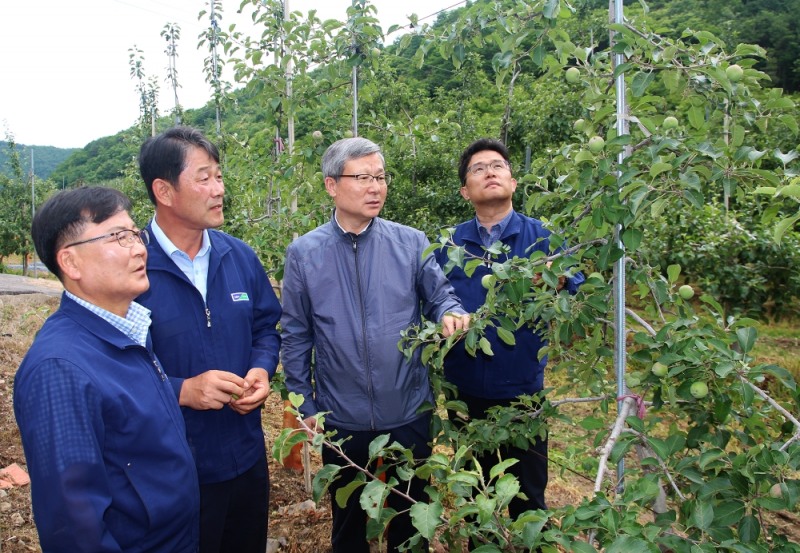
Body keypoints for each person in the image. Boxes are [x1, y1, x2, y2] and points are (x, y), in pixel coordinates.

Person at [281, 137, 470, 553]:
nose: (376, 187)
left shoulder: (410, 241)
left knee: (409, 514)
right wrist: (303, 404)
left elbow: (440, 295)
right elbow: (296, 335)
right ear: (332, 185)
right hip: (341, 415)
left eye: (381, 177)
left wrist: (449, 313)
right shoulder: (304, 253)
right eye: (363, 177)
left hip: (406, 408)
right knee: (349, 521)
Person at [14, 186, 200, 552]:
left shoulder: (128, 330)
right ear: (70, 262)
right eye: (117, 236)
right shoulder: (60, 369)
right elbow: (73, 527)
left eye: (135, 233)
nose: (138, 247)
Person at [136, 126, 282, 553]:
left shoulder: (238, 255)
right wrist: (182, 389)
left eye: (219, 176)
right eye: (204, 178)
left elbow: (264, 328)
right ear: (164, 190)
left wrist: (260, 367)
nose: (219, 189)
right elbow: (111, 368)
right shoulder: (133, 268)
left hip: (245, 456)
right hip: (171, 468)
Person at [434, 139, 584, 528]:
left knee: (528, 496)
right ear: (466, 191)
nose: (490, 172)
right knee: (476, 496)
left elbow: (577, 285)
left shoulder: (542, 238)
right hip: (462, 391)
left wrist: (557, 280)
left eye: (498, 166)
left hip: (522, 391)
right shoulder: (448, 244)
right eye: (478, 168)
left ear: (513, 182)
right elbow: (430, 298)